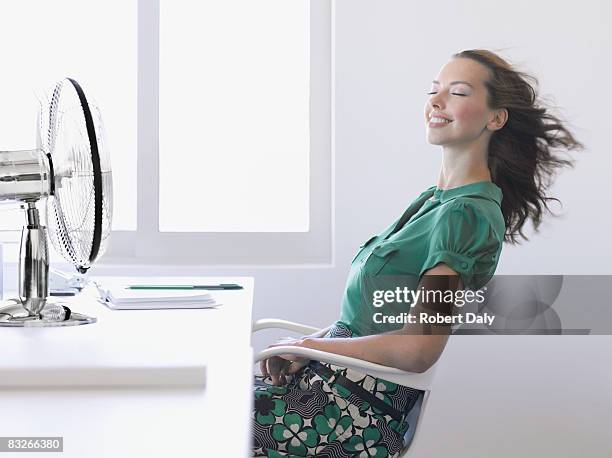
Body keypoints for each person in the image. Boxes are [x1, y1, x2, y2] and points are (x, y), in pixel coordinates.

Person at [252, 49, 583, 457]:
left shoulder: (464, 214)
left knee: (204, 418)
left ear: (496, 118)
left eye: (457, 93)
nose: (436, 102)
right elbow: (366, 321)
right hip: (327, 385)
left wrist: (311, 349)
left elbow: (419, 347)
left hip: (348, 413)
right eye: (433, 90)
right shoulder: (436, 202)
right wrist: (306, 347)